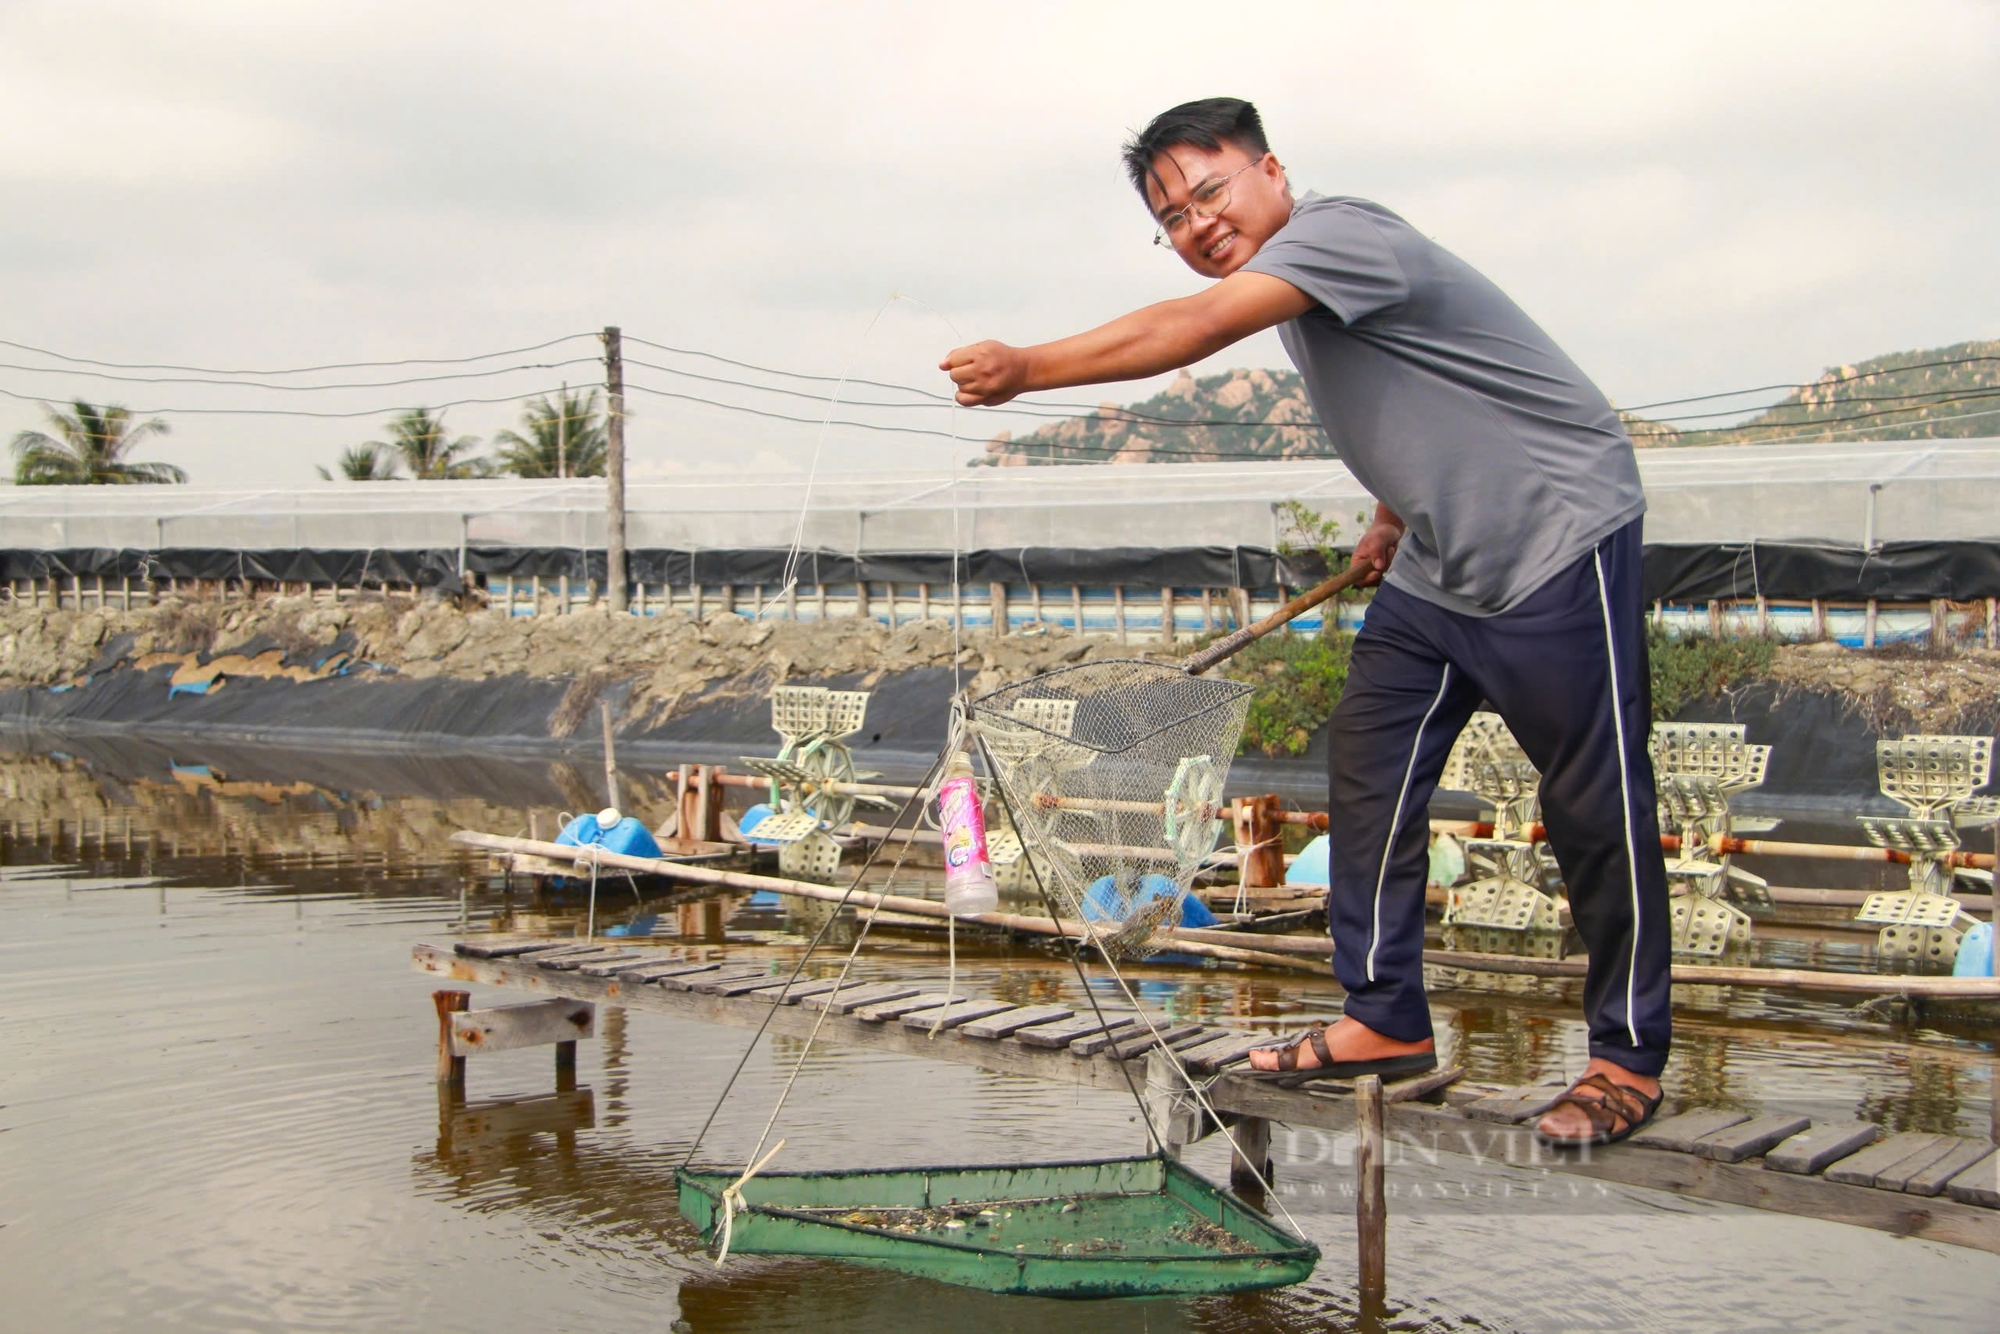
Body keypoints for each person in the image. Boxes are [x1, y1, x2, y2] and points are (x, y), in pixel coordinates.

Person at [941, 97, 1671, 1147]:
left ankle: (1624, 1056)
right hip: (1435, 564)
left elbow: (1181, 329)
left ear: (1270, 171)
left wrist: (1028, 369)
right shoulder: (1302, 286)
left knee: (1592, 803)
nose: (1197, 224)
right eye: (1172, 217)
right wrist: (1391, 511)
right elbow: (1428, 391)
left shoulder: (1337, 233)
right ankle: (1382, 1017)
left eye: (1209, 191)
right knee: (1368, 771)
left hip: (1555, 538)